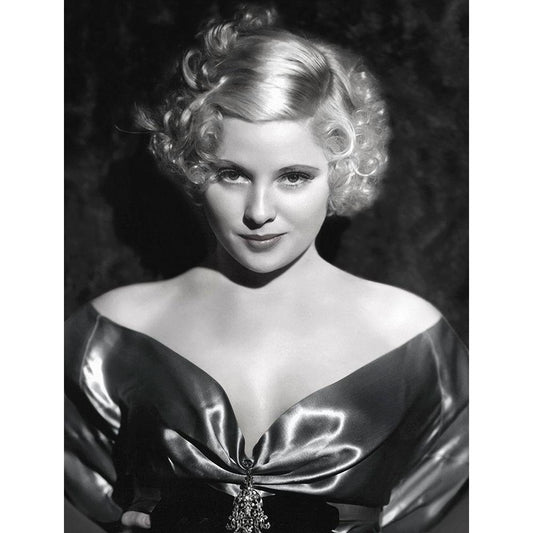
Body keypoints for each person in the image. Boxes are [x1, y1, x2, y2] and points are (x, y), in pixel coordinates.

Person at [65, 6, 468, 533]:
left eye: (293, 177)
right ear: (194, 168)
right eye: (232, 174)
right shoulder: (112, 333)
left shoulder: (412, 339)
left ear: (339, 172)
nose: (258, 211)